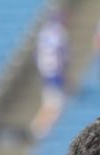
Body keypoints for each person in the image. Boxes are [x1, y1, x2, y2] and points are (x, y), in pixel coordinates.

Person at [29, 10, 68, 140]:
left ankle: (40, 128)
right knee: (55, 103)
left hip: (46, 70)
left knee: (51, 101)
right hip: (55, 71)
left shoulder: (44, 33)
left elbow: (35, 54)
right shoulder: (59, 33)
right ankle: (39, 128)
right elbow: (62, 53)